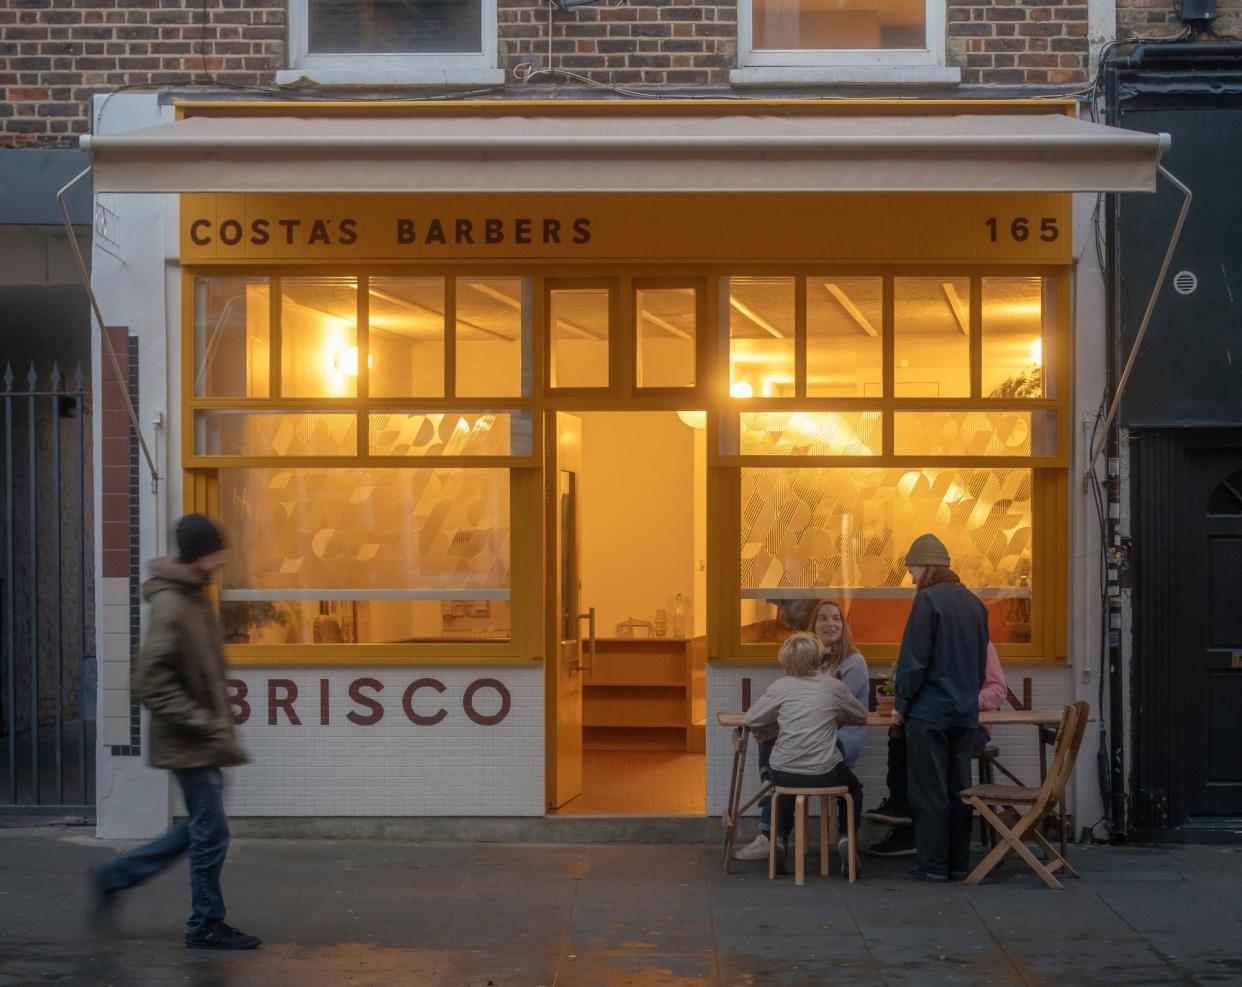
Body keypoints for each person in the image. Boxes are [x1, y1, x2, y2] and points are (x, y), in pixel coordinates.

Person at [91, 514, 260, 950]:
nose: (223, 558)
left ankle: (114, 876)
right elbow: (148, 682)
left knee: (203, 828)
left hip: (202, 739)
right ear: (200, 554)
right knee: (211, 831)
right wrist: (203, 721)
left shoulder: (193, 595)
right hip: (190, 742)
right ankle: (204, 922)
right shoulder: (173, 605)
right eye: (217, 550)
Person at [734, 600, 869, 866]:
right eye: (823, 619)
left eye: (836, 618)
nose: (830, 623)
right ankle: (845, 837)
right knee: (851, 787)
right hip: (823, 760)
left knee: (782, 768)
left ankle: (776, 835)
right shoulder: (830, 684)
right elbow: (857, 713)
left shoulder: (851, 663)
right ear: (813, 628)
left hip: (833, 746)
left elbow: (753, 718)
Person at [890, 534, 989, 882]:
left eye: (913, 569)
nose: (912, 577)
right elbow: (980, 666)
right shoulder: (976, 605)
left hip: (928, 714)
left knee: (929, 792)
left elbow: (913, 661)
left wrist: (901, 704)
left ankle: (932, 866)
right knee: (960, 790)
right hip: (964, 713)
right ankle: (959, 863)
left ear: (929, 566)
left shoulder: (927, 602)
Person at [865, 642, 1006, 857]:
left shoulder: (982, 646)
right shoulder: (929, 647)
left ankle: (914, 827)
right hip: (935, 724)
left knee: (923, 743)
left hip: (970, 728)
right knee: (901, 732)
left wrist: (964, 702)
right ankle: (902, 810)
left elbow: (998, 689)